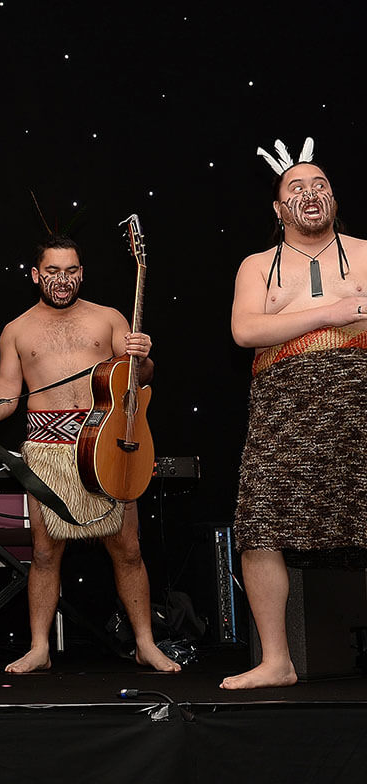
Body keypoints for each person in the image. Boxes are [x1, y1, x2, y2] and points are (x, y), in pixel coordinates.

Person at [0, 234, 181, 675]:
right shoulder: (16, 329)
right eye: (52, 271)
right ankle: (39, 647)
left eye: (71, 271)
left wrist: (144, 358)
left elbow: (141, 377)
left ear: (81, 273)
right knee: (45, 554)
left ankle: (145, 643)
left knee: (127, 549)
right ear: (35, 275)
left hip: (107, 443)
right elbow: (9, 392)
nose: (62, 280)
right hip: (47, 451)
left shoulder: (109, 319)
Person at [224, 138, 366, 690]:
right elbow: (245, 331)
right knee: (260, 525)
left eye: (321, 184)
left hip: (358, 404)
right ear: (280, 209)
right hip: (284, 408)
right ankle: (277, 660)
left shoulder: (363, 251)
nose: (311, 193)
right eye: (296, 187)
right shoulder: (258, 266)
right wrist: (334, 311)